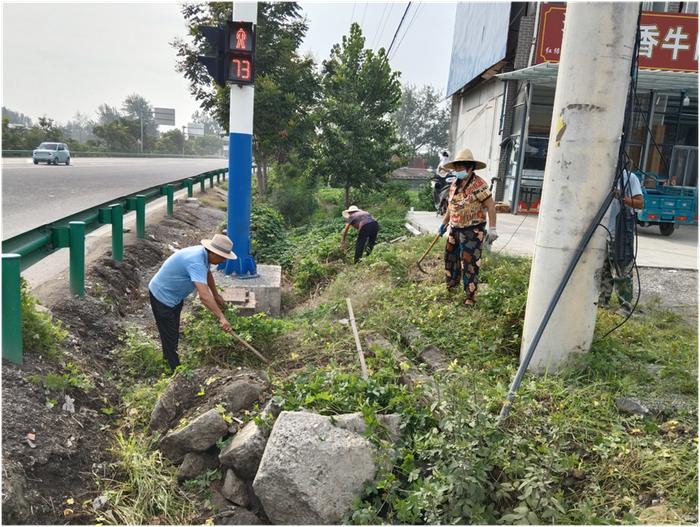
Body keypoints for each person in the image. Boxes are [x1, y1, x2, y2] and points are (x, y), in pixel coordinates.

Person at [148, 233, 237, 371]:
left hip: (175, 297)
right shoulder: (196, 261)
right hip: (162, 296)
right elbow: (204, 296)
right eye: (222, 258)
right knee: (169, 336)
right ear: (213, 252)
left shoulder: (204, 255)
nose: (224, 261)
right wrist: (221, 317)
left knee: (173, 331)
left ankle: (170, 359)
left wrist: (216, 294)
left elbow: (207, 274)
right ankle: (175, 371)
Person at [438, 148, 498, 307]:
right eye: (456, 168)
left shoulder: (479, 185)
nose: (458, 171)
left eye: (461, 168)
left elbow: (491, 206)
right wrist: (444, 223)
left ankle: (470, 296)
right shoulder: (454, 185)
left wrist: (493, 228)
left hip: (472, 231)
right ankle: (451, 287)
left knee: (469, 263)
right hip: (455, 228)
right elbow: (451, 206)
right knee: (450, 258)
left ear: (470, 168)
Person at [599, 169, 644, 315]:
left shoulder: (629, 178)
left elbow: (640, 203)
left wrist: (622, 197)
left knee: (622, 269)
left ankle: (625, 306)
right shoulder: (602, 173)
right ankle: (602, 301)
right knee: (604, 269)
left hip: (620, 231)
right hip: (602, 232)